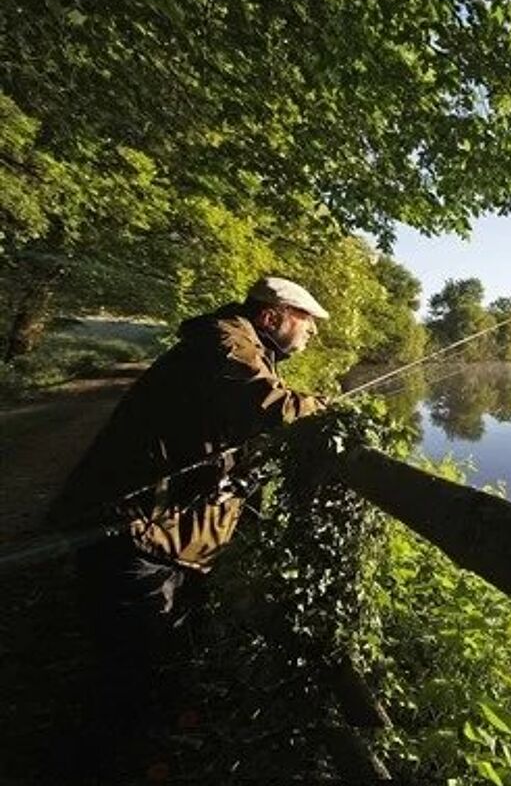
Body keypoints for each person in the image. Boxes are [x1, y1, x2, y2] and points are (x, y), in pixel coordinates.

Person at [50, 276, 329, 776]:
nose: (312, 334)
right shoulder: (227, 343)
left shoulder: (239, 346)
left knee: (147, 660)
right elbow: (272, 408)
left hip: (148, 533)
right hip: (129, 530)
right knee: (129, 669)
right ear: (272, 317)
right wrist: (325, 409)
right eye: (306, 321)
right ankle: (100, 763)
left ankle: (133, 751)